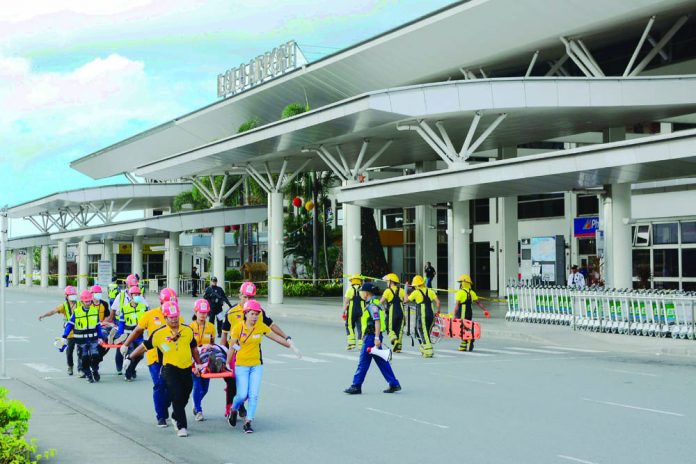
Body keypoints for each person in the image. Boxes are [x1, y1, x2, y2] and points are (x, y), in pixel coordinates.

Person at [220, 282, 297, 419]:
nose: (248, 300)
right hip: (235, 354)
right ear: (239, 295)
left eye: (251, 297)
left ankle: (242, 409)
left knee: (249, 388)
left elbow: (272, 326)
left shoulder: (258, 311)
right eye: (245, 297)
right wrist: (223, 357)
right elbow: (224, 338)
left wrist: (287, 338)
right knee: (232, 382)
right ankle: (231, 408)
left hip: (253, 354)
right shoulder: (230, 313)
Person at [129, 301, 205, 438]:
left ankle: (175, 415)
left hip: (186, 368)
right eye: (171, 317)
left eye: (176, 316)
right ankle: (182, 426)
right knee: (176, 395)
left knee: (185, 394)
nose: (174, 319)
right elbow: (144, 346)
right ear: (165, 317)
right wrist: (130, 357)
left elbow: (193, 348)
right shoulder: (159, 334)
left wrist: (199, 363)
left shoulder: (187, 330)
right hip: (169, 369)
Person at [226, 299, 293, 433]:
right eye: (252, 314)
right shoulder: (238, 327)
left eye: (257, 314)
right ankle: (233, 409)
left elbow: (275, 337)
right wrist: (227, 363)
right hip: (241, 365)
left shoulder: (261, 326)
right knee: (242, 394)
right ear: (245, 314)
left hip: (256, 365)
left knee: (254, 395)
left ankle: (248, 421)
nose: (255, 317)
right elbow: (232, 347)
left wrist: (289, 344)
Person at [120, 287, 180, 427]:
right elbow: (137, 331)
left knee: (171, 388)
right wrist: (126, 345)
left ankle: (165, 406)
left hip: (172, 358)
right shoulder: (150, 315)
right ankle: (161, 416)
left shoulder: (177, 316)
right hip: (155, 358)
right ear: (161, 302)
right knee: (160, 385)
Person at [344, 283, 401, 395]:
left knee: (363, 362)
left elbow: (377, 321)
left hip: (372, 337)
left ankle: (356, 386)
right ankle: (394, 384)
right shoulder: (374, 303)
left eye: (362, 291)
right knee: (381, 361)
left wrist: (376, 337)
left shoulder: (372, 305)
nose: (361, 293)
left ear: (366, 293)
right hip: (371, 336)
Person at [58, 290, 105, 383]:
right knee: (84, 358)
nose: (88, 303)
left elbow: (98, 325)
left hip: (93, 339)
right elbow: (69, 325)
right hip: (81, 340)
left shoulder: (94, 311)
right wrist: (64, 336)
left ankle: (95, 370)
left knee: (96, 356)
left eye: (89, 301)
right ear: (82, 302)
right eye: (86, 301)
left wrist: (100, 337)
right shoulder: (77, 312)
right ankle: (88, 374)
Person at [38, 285, 80, 376]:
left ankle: (81, 369)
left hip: (80, 331)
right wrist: (43, 315)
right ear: (67, 296)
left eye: (74, 294)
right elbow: (53, 311)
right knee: (69, 351)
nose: (73, 296)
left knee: (81, 351)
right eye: (71, 295)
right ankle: (70, 366)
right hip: (70, 333)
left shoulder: (80, 304)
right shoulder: (64, 306)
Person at [111, 273, 147, 375]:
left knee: (138, 352)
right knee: (120, 349)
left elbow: (146, 310)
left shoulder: (140, 297)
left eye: (135, 285)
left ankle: (131, 368)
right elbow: (113, 310)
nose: (133, 288)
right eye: (131, 285)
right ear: (127, 285)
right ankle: (119, 367)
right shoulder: (121, 296)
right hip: (123, 325)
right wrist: (110, 321)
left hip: (137, 329)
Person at [189, 299, 216, 422]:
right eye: (200, 312)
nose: (203, 315)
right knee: (197, 386)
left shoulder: (211, 327)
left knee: (205, 389)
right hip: (193, 361)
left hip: (206, 362)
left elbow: (212, 344)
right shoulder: (189, 328)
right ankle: (198, 410)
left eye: (205, 313)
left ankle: (195, 403)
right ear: (195, 312)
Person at [404, 275, 440, 358]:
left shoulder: (416, 293)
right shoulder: (430, 291)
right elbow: (438, 302)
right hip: (431, 315)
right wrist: (438, 312)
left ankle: (428, 350)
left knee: (422, 330)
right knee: (426, 332)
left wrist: (405, 290)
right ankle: (424, 348)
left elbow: (405, 301)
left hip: (423, 315)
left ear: (416, 285)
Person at [452, 274, 490, 352]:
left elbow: (457, 306)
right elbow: (478, 302)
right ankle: (464, 344)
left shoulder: (460, 292)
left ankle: (467, 341)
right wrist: (485, 310)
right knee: (467, 326)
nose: (460, 284)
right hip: (469, 312)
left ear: (463, 283)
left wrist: (454, 315)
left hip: (462, 312)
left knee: (462, 327)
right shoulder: (472, 292)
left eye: (461, 283)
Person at [380, 273, 405, 352]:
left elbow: (381, 302)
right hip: (401, 311)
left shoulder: (387, 291)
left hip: (392, 311)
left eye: (387, 281)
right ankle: (398, 347)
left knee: (390, 328)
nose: (387, 283)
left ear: (391, 281)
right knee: (399, 329)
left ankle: (395, 340)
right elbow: (406, 300)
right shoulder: (401, 290)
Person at [342, 274, 364, 350]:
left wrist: (344, 311)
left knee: (349, 326)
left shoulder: (350, 289)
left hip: (352, 311)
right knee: (361, 327)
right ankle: (361, 345)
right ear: (359, 281)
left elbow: (346, 301)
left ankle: (351, 344)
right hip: (362, 311)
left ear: (352, 281)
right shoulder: (363, 289)